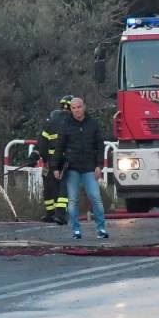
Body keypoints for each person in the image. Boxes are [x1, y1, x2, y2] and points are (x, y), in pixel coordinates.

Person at [54, 97, 108, 240]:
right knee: (73, 200)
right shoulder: (65, 125)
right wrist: (56, 167)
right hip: (72, 168)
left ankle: (101, 229)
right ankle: (76, 230)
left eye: (79, 107)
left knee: (95, 197)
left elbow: (100, 146)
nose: (77, 110)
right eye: (74, 108)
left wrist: (99, 165)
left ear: (84, 107)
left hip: (90, 167)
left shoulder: (93, 124)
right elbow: (59, 147)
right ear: (71, 109)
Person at [33, 96, 73, 224]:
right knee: (63, 187)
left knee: (49, 187)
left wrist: (44, 158)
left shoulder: (50, 122)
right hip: (65, 161)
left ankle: (50, 214)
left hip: (50, 162)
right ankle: (60, 215)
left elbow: (42, 143)